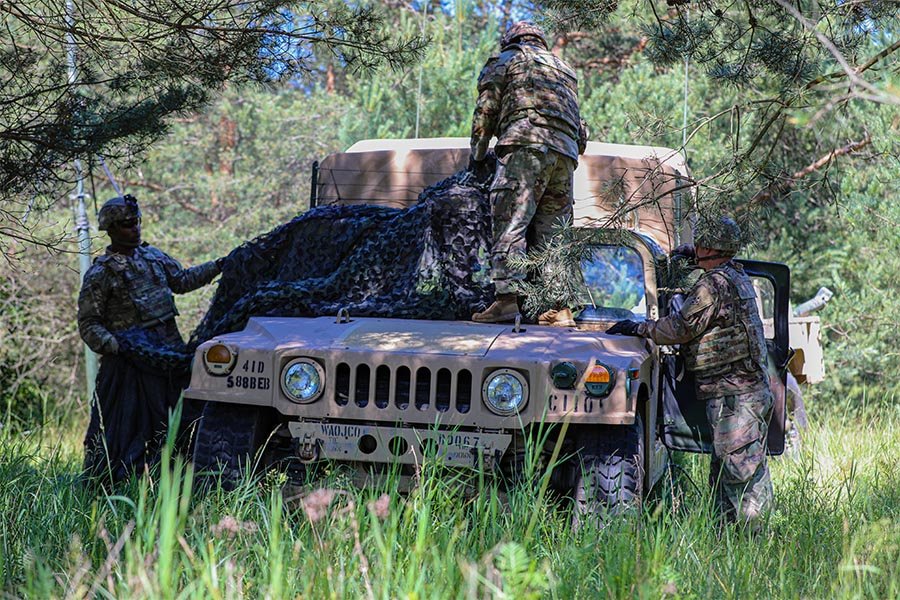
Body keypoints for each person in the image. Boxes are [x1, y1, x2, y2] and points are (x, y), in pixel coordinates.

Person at [606, 216, 775, 526]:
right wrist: (689, 254)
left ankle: (754, 542)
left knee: (741, 472)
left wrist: (639, 328)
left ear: (710, 247)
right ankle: (730, 541)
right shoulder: (735, 275)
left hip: (735, 395)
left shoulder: (714, 284)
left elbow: (681, 328)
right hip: (741, 392)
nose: (695, 248)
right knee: (729, 469)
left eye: (700, 244)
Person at [78, 194, 223, 485]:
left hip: (168, 356)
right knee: (125, 430)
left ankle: (174, 481)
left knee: (177, 422)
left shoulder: (153, 256)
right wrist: (116, 345)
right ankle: (123, 484)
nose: (135, 228)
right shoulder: (101, 273)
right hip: (129, 369)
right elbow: (89, 323)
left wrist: (220, 265)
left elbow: (182, 281)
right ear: (113, 229)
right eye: (128, 224)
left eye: (137, 222)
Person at [468, 21, 587, 327]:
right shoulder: (564, 69)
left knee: (511, 220)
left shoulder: (506, 59)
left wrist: (478, 154)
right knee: (555, 235)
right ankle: (560, 308)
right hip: (564, 155)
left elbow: (486, 110)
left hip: (525, 147)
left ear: (509, 40)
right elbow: (580, 127)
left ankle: (506, 301)